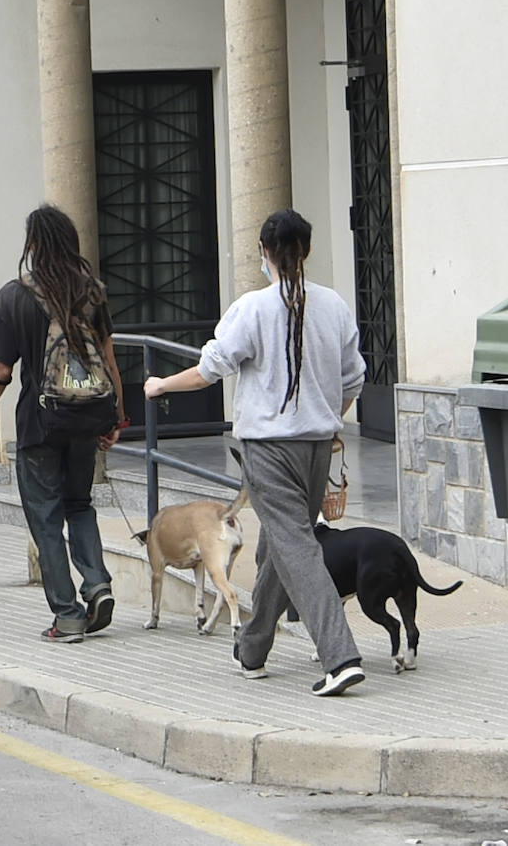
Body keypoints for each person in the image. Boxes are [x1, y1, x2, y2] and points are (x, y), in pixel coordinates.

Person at [144, 209, 368, 696]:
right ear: (307, 251)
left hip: (268, 450)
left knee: (297, 547)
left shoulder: (253, 307)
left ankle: (340, 656)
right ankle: (252, 648)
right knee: (280, 547)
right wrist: (327, 417)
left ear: (264, 252)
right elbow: (353, 378)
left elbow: (209, 370)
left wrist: (160, 385)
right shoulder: (333, 306)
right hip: (316, 449)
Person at [0, 204, 127, 643]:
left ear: (34, 246)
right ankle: (97, 583)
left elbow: (2, 370)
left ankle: (69, 616)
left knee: (45, 519)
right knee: (79, 504)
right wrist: (116, 415)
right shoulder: (92, 293)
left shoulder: (13, 297)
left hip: (39, 424)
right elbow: (109, 358)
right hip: (85, 420)